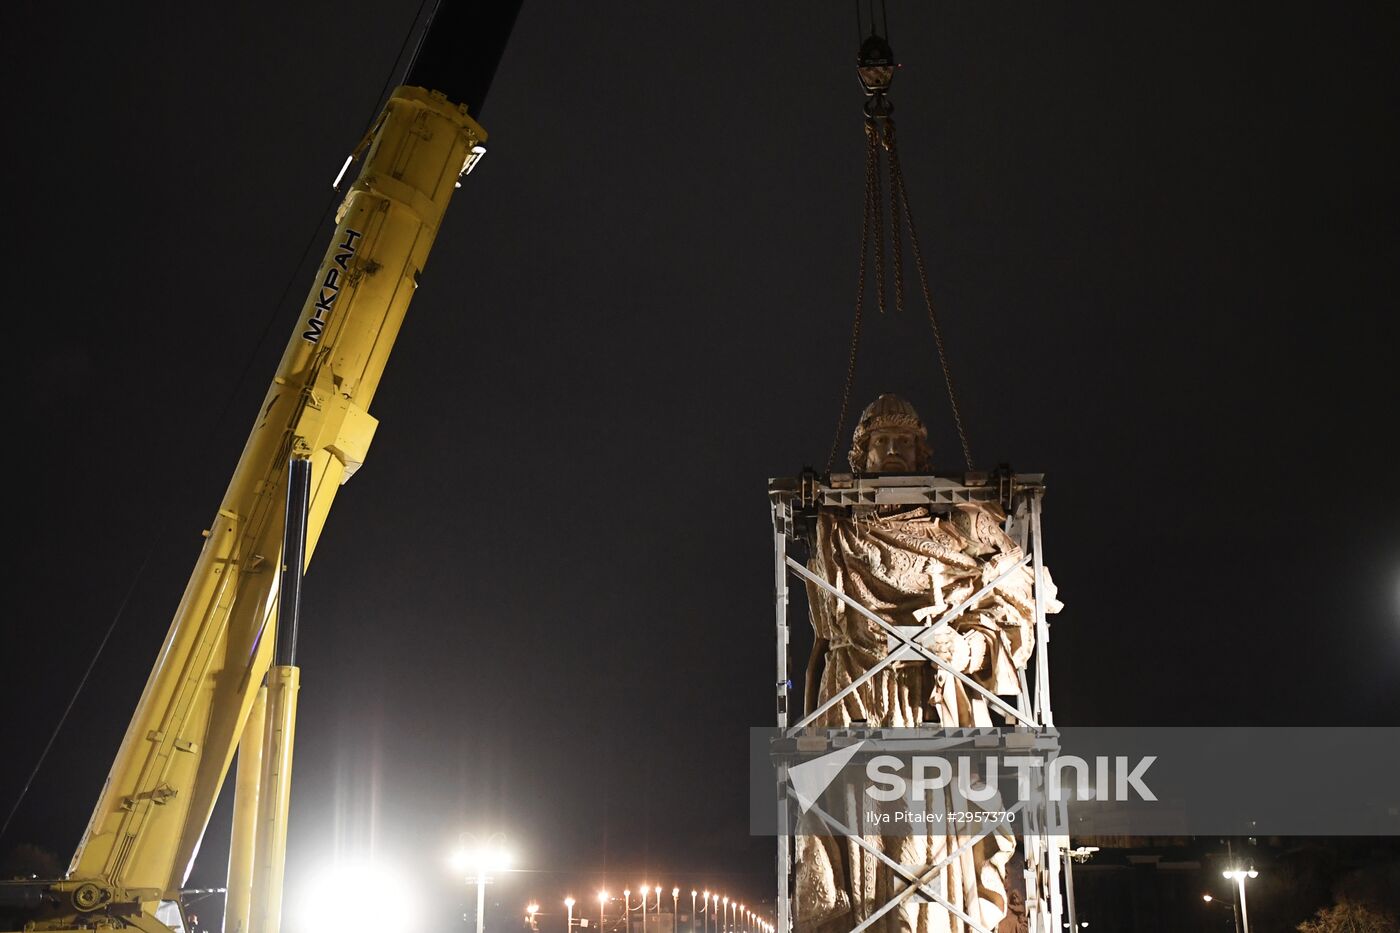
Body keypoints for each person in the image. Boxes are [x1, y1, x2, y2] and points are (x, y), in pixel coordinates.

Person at [794, 394, 1061, 933]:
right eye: (880, 443)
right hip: (857, 700)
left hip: (932, 703)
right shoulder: (835, 530)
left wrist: (962, 650)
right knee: (861, 834)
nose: (892, 451)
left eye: (904, 442)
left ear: (922, 455)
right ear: (860, 458)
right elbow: (826, 631)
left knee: (932, 842)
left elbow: (1018, 617)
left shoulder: (962, 529)